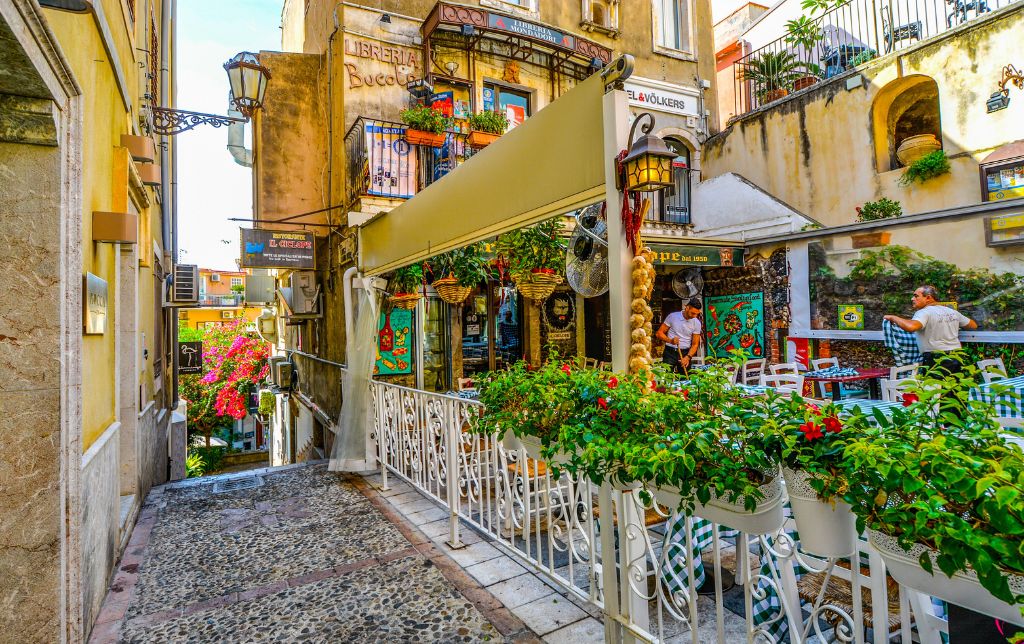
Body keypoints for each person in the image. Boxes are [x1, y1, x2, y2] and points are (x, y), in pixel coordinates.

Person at [883, 285, 977, 378]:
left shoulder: (924, 312)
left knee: (935, 391)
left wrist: (893, 317)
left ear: (928, 298)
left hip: (937, 358)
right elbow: (973, 325)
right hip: (957, 355)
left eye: (916, 296)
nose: (912, 299)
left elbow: (911, 327)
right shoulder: (952, 312)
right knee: (954, 390)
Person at [656, 299, 703, 374]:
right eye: (693, 313)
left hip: (685, 353)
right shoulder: (673, 317)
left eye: (697, 314)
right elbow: (659, 333)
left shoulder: (696, 323)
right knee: (667, 378)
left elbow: (695, 344)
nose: (695, 316)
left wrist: (688, 357)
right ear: (687, 308)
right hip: (670, 352)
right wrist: (670, 341)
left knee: (685, 380)